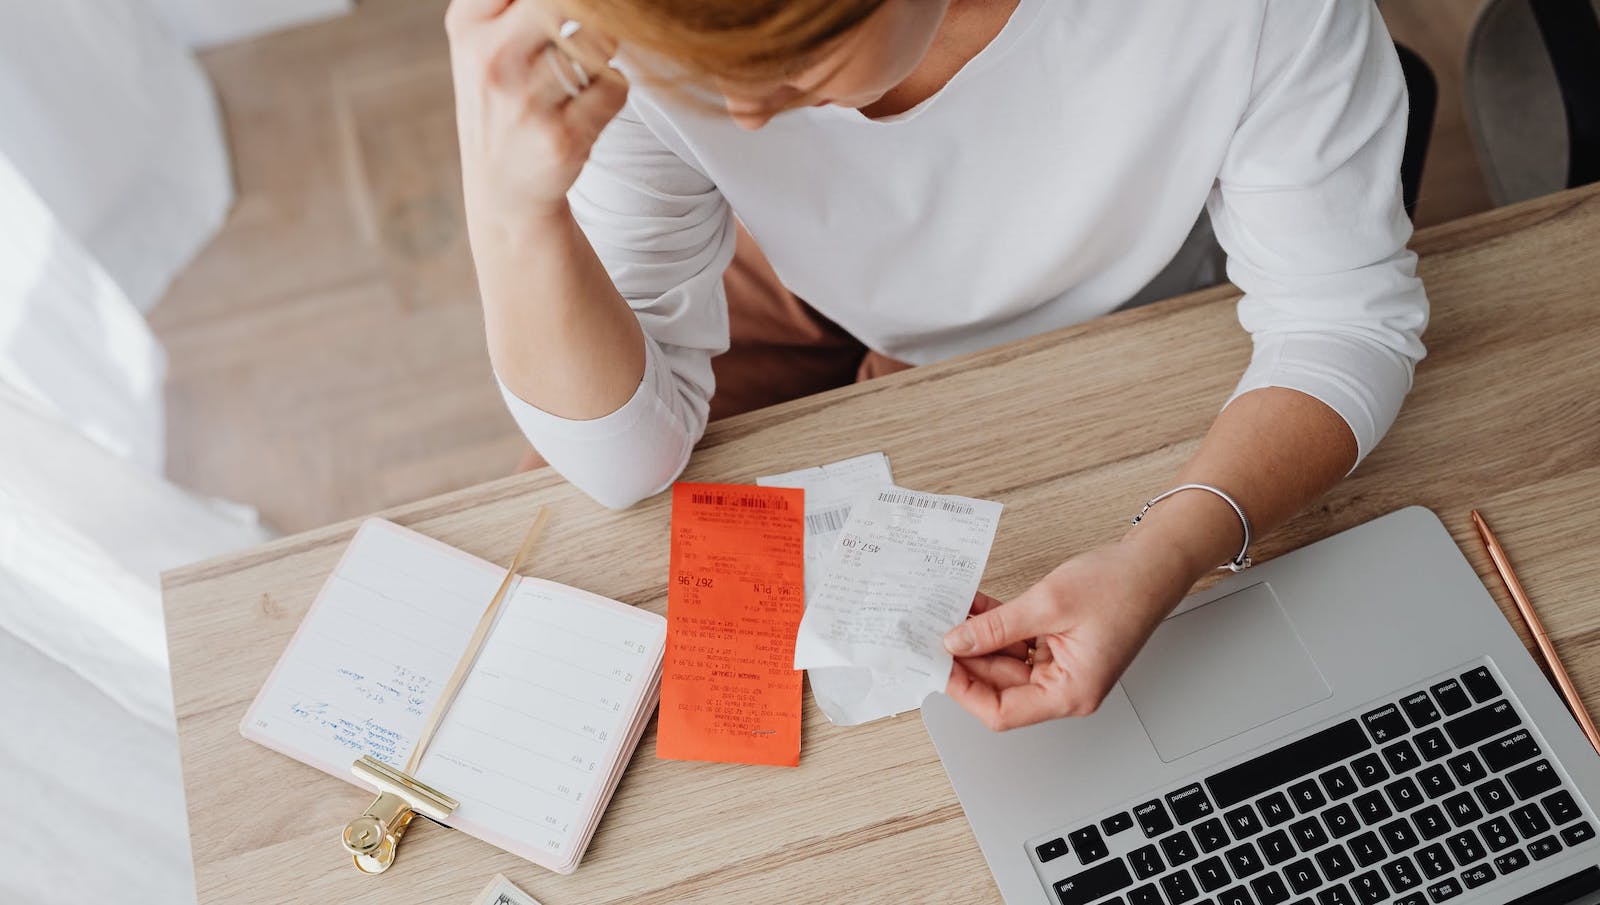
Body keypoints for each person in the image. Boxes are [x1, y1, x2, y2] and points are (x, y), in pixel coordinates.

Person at [446, 0, 1429, 731]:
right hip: (769, 256)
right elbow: (624, 463)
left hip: (1102, 285)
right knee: (560, 548)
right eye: (703, 72)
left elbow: (1344, 321)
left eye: (796, 59)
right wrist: (507, 210)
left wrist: (1168, 550)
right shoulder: (633, 27)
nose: (742, 118)